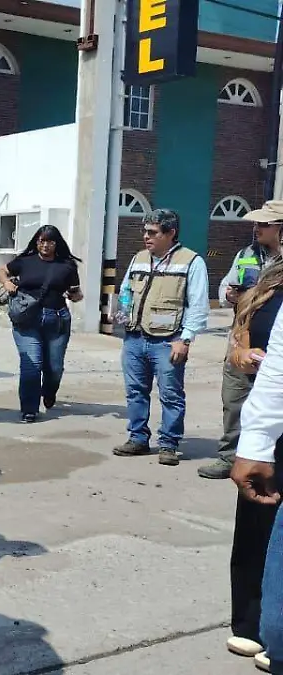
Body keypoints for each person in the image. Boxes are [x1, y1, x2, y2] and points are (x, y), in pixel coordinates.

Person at [112, 209, 210, 467]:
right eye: (145, 231)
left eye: (152, 232)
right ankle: (138, 439)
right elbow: (125, 291)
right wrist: (122, 324)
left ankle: (169, 444)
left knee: (171, 394)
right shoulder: (139, 259)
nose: (146, 236)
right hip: (134, 338)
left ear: (170, 233)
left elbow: (198, 305)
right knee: (135, 392)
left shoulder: (191, 262)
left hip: (168, 341)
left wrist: (185, 339)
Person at [223, 260, 283, 672]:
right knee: (257, 523)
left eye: (266, 222)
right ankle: (252, 623)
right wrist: (241, 353)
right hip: (270, 413)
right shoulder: (266, 276)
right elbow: (241, 334)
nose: (259, 228)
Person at [200, 201, 283, 480]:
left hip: (275, 345)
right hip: (242, 338)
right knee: (235, 398)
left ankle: (267, 458)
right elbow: (226, 285)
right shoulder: (246, 254)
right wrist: (230, 295)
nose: (256, 228)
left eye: (263, 224)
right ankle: (229, 457)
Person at [0, 225, 84, 423]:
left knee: (54, 367)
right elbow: (2, 270)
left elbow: (75, 292)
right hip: (27, 319)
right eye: (41, 241)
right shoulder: (25, 261)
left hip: (57, 319)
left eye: (50, 241)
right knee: (32, 364)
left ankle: (49, 391)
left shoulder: (67, 265)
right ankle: (29, 409)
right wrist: (6, 283)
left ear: (56, 243)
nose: (45, 245)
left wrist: (76, 296)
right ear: (36, 242)